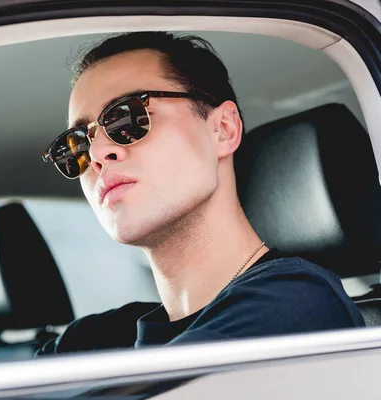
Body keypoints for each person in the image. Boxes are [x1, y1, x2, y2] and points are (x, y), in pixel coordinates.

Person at [38, 32, 365, 356]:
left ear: (223, 129)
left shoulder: (296, 306)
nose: (95, 155)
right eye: (76, 144)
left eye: (126, 117)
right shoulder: (91, 340)